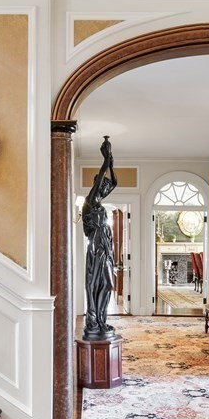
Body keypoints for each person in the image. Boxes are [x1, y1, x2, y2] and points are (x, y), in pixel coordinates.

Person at [82, 137, 118, 339]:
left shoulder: (98, 201)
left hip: (104, 246)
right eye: (100, 187)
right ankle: (94, 321)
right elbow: (104, 183)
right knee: (98, 284)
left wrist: (112, 163)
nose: (104, 190)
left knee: (107, 284)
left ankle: (102, 320)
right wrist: (105, 161)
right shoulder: (89, 201)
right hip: (96, 248)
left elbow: (114, 182)